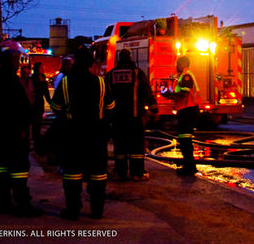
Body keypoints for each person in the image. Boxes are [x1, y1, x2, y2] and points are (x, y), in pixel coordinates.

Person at [50, 46, 111, 220]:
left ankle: (73, 210)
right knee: (98, 173)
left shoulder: (66, 82)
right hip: (96, 135)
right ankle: (97, 210)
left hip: (73, 134)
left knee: (72, 173)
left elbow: (56, 107)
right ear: (91, 62)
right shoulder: (100, 82)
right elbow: (111, 107)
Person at [0, 41, 42, 216]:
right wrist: (24, 128)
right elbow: (21, 108)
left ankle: (2, 201)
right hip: (16, 134)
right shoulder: (12, 82)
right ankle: (22, 203)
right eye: (16, 60)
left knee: (2, 167)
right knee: (19, 168)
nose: (19, 63)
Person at [105, 49, 158, 181]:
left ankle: (121, 172)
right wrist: (153, 108)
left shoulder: (111, 75)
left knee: (120, 146)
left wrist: (108, 115)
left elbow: (106, 96)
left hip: (117, 119)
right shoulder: (137, 73)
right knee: (136, 146)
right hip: (135, 118)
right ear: (130, 58)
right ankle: (137, 173)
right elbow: (146, 91)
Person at [162, 55, 200, 176]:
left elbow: (183, 94)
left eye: (178, 64)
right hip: (186, 110)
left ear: (183, 64)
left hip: (188, 111)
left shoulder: (186, 76)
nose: (176, 66)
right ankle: (189, 165)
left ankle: (189, 167)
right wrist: (169, 95)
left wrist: (169, 95)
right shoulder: (183, 77)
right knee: (184, 139)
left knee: (185, 140)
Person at [30, 62, 50, 148]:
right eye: (41, 67)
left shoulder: (43, 77)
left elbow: (46, 92)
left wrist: (49, 100)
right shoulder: (33, 78)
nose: (43, 68)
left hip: (40, 101)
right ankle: (35, 137)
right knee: (35, 120)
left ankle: (36, 136)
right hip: (35, 101)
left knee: (38, 120)